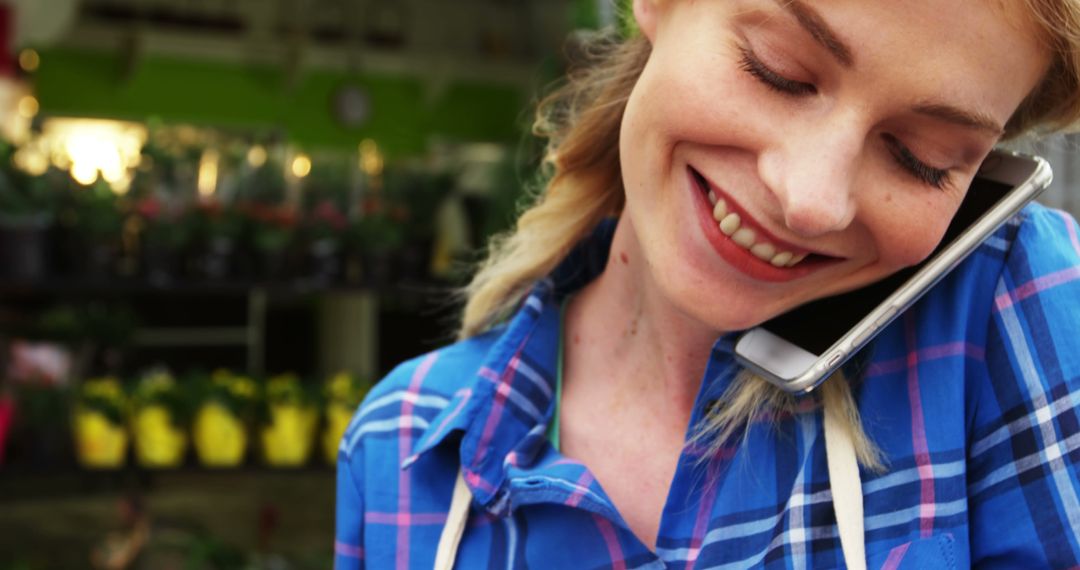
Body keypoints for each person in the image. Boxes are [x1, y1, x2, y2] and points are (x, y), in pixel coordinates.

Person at [335, 0, 1080, 567]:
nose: (810, 198)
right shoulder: (403, 443)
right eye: (778, 71)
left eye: (923, 156)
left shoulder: (1016, 306)